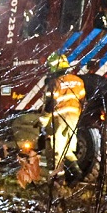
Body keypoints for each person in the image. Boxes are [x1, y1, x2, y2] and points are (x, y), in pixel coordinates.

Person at [38, 52, 86, 185]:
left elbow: (50, 104)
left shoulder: (54, 83)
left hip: (58, 118)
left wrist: (42, 122)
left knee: (55, 150)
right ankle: (76, 172)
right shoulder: (78, 81)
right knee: (68, 148)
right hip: (74, 118)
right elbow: (83, 100)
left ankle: (56, 180)